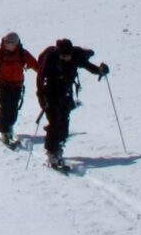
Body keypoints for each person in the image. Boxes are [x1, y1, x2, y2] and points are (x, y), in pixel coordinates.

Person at [36, 38, 109, 170]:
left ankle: (58, 147)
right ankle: (51, 152)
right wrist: (41, 97)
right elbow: (40, 78)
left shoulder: (75, 55)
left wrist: (100, 70)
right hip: (50, 93)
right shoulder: (51, 57)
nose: (67, 58)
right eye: (64, 55)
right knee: (54, 122)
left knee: (64, 122)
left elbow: (88, 66)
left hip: (65, 93)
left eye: (68, 55)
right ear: (59, 53)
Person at [0, 32, 40, 148]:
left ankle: (9, 126)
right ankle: (4, 133)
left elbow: (35, 65)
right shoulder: (1, 52)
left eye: (9, 42)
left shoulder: (23, 54)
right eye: (6, 42)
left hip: (17, 86)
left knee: (13, 110)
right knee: (5, 108)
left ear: (15, 43)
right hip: (4, 84)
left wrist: (44, 76)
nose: (6, 44)